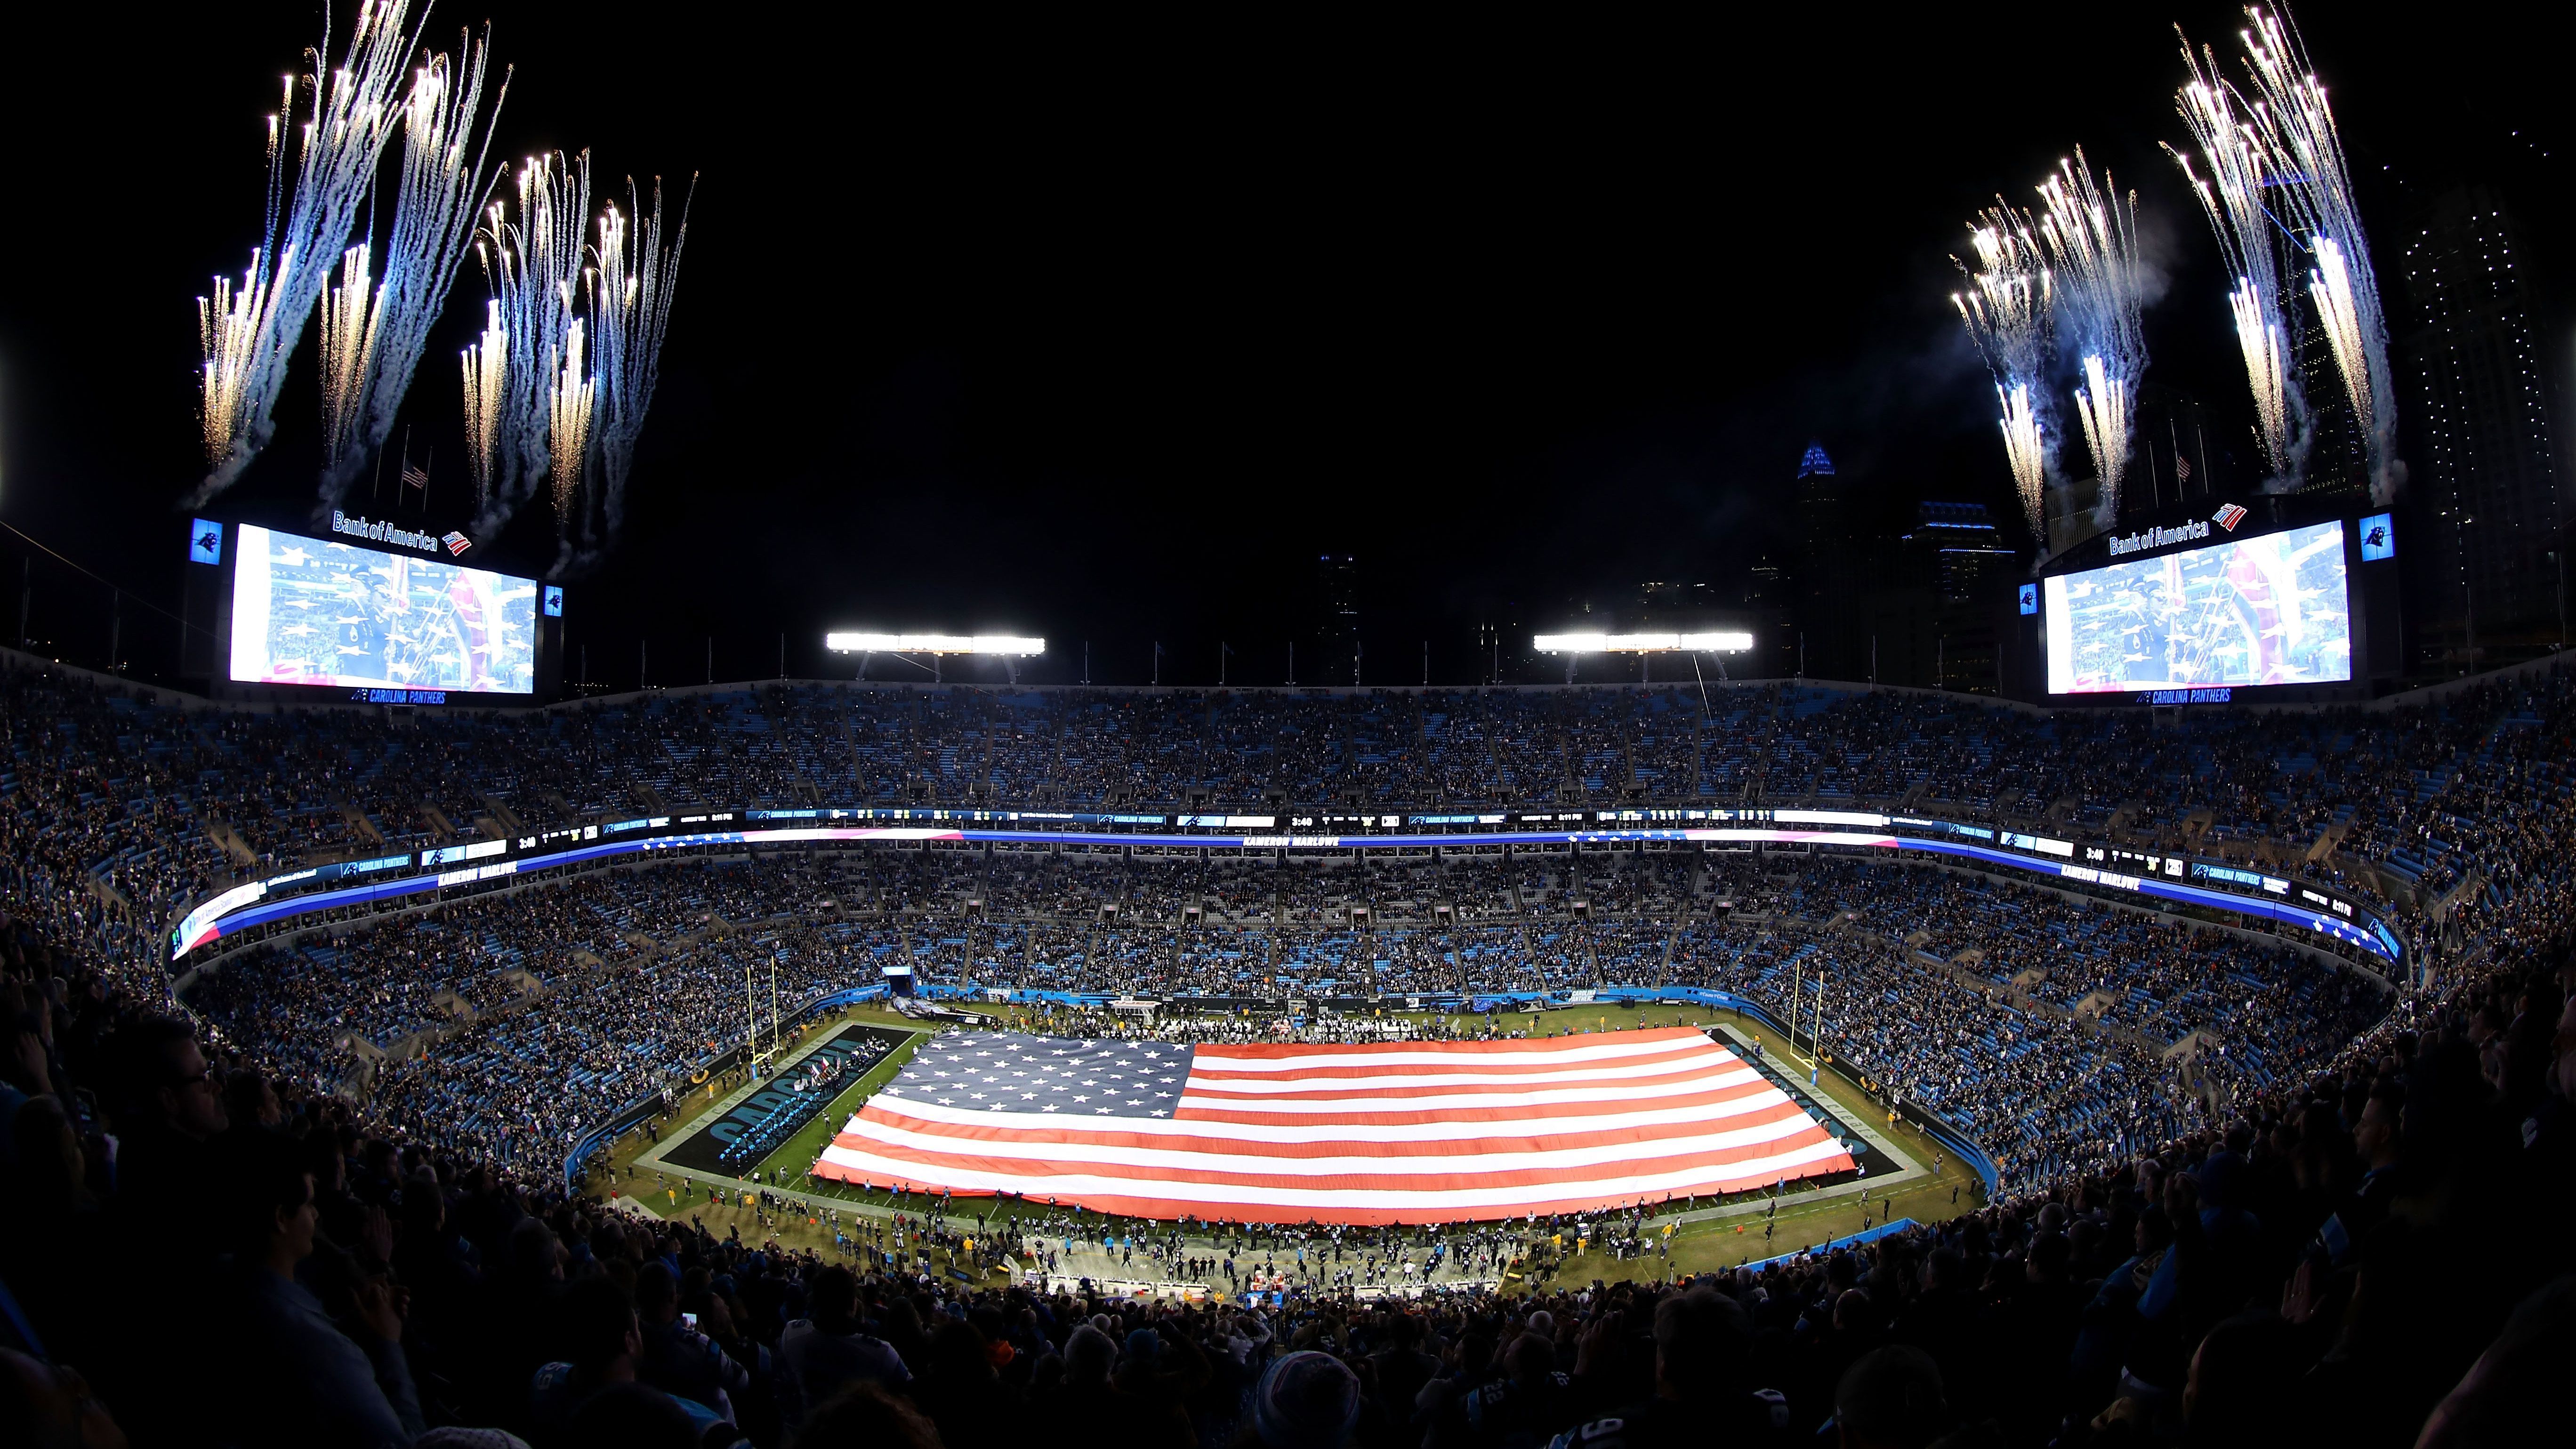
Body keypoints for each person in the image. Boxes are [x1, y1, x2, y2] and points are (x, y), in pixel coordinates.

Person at [204, 1130, 426, 1447]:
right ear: (281, 1217)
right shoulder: (318, 1346)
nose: (317, 1213)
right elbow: (406, 1442)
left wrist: (356, 1321)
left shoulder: (221, 1272)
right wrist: (388, 1341)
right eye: (309, 1204)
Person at [777, 1266, 909, 1425]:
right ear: (854, 1302)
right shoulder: (881, 1353)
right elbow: (910, 1394)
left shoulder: (792, 1333)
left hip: (811, 1428)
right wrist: (864, 1326)